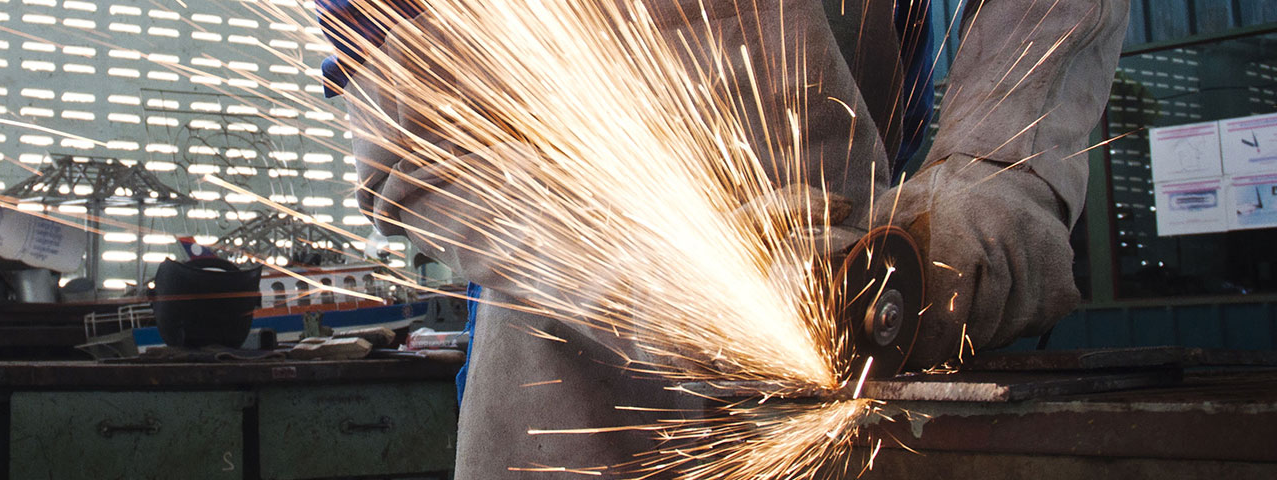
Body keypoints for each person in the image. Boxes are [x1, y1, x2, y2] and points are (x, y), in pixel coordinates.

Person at [322, 0, 1129, 475]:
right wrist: (652, 284)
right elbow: (417, 119)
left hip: (904, 308)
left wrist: (995, 172)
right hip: (586, 354)